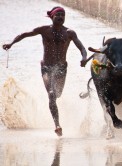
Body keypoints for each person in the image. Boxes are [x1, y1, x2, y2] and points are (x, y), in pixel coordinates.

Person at [2, 6, 88, 136]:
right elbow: (24, 34)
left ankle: (57, 113)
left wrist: (84, 58)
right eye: (58, 15)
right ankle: (57, 125)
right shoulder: (44, 30)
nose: (60, 17)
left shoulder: (69, 33)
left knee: (57, 94)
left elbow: (82, 47)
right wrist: (11, 43)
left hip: (61, 69)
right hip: (46, 67)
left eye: (62, 15)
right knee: (52, 94)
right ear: (52, 17)